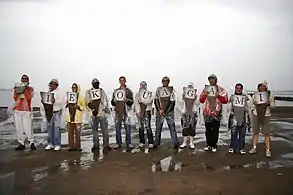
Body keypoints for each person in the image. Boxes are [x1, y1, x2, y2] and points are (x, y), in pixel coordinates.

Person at [199, 74, 228, 152]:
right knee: (208, 130)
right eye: (210, 79)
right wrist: (204, 94)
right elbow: (201, 100)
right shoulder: (206, 89)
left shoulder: (221, 89)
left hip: (217, 112)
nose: (211, 81)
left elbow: (225, 100)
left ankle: (214, 145)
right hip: (207, 112)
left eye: (213, 79)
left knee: (215, 130)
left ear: (216, 80)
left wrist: (218, 95)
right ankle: (208, 145)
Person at [249, 81, 275, 157]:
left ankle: (268, 150)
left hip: (266, 115)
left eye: (263, 86)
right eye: (260, 86)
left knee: (266, 132)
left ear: (266, 87)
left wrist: (269, 104)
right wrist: (254, 107)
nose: (262, 87)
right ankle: (254, 147)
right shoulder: (255, 94)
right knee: (255, 132)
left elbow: (273, 106)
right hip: (256, 114)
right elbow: (251, 104)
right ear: (258, 87)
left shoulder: (270, 94)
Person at [85, 78, 111, 153]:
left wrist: (106, 108)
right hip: (93, 115)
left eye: (97, 83)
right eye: (95, 83)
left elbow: (105, 100)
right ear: (92, 84)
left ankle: (106, 145)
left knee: (105, 131)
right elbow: (87, 102)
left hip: (102, 114)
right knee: (94, 131)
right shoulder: (88, 92)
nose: (96, 85)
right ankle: (96, 146)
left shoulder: (102, 91)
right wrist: (93, 108)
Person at [153, 76, 179, 149]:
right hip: (160, 111)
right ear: (162, 82)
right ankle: (156, 143)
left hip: (169, 112)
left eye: (166, 81)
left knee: (172, 128)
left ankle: (175, 143)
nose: (165, 82)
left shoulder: (172, 90)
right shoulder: (158, 89)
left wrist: (166, 112)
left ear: (168, 82)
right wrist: (160, 110)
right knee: (158, 128)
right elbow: (156, 100)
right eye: (164, 81)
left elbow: (172, 102)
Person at [111, 76, 134, 152]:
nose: (122, 82)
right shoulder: (116, 91)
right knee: (117, 127)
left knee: (128, 128)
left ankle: (129, 143)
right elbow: (112, 103)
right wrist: (114, 101)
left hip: (126, 112)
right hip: (118, 112)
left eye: (123, 80)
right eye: (120, 81)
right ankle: (118, 143)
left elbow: (131, 102)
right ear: (119, 81)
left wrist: (127, 100)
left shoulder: (129, 91)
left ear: (125, 81)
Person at [13, 74, 36, 151]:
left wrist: (24, 90)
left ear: (28, 80)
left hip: (26, 110)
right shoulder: (17, 88)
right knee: (18, 128)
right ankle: (21, 143)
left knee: (28, 127)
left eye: (26, 79)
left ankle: (31, 142)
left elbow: (29, 98)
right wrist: (18, 91)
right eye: (23, 79)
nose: (24, 80)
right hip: (17, 110)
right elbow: (15, 98)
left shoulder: (30, 89)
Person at [227, 83, 251, 155]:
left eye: (240, 88)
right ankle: (232, 147)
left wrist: (247, 100)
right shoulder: (232, 96)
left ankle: (241, 148)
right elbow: (228, 107)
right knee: (233, 133)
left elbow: (250, 106)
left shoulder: (245, 97)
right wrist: (229, 102)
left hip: (243, 117)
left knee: (242, 134)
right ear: (235, 89)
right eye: (237, 88)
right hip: (234, 117)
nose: (238, 89)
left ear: (242, 89)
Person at [44, 79, 65, 151]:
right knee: (49, 128)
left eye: (54, 84)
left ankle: (57, 144)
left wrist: (55, 101)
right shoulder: (47, 92)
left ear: (56, 85)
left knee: (56, 128)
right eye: (51, 84)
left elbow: (62, 101)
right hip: (49, 112)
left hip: (57, 111)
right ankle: (50, 143)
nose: (52, 85)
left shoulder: (59, 92)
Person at [65, 83, 85, 151]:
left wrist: (78, 107)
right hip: (70, 117)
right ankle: (71, 146)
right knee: (70, 133)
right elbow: (65, 106)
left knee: (77, 133)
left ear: (77, 88)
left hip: (77, 117)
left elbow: (84, 107)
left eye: (75, 87)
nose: (73, 89)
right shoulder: (69, 96)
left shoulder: (81, 97)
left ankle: (78, 146)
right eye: (72, 87)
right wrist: (67, 104)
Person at [134, 81, 154, 148]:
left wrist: (142, 101)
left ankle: (151, 142)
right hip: (140, 113)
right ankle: (142, 142)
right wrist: (138, 112)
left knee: (148, 127)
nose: (143, 86)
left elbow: (150, 101)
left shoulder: (149, 93)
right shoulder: (137, 94)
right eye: (141, 85)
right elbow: (136, 103)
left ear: (146, 86)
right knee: (141, 127)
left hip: (147, 111)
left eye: (144, 85)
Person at [180, 82, 198, 149]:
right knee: (185, 128)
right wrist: (183, 97)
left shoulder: (195, 96)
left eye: (191, 86)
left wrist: (195, 98)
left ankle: (191, 142)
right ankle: (184, 142)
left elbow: (198, 103)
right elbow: (180, 103)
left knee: (192, 128)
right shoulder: (184, 96)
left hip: (192, 113)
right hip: (185, 114)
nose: (190, 88)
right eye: (189, 86)